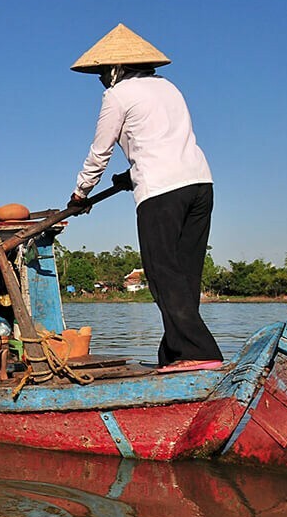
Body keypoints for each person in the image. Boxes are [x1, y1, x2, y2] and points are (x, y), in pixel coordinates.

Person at [68, 23, 222, 373]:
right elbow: (160, 141)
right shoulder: (169, 88)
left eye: (102, 73)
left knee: (162, 273)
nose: (102, 80)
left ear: (116, 69)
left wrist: (81, 192)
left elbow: (100, 150)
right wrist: (128, 177)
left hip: (161, 192)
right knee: (185, 276)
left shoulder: (117, 95)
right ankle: (175, 355)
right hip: (199, 183)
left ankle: (200, 352)